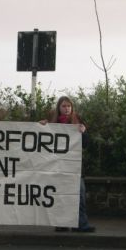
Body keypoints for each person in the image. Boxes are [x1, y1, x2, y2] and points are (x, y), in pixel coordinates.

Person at [39, 96, 95, 233]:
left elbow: (87, 144)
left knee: (79, 196)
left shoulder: (78, 122)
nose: (66, 109)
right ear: (59, 108)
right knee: (59, 196)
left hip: (74, 167)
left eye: (69, 106)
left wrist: (84, 133)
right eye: (64, 106)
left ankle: (81, 224)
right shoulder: (52, 124)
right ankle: (61, 224)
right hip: (56, 167)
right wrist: (39, 127)